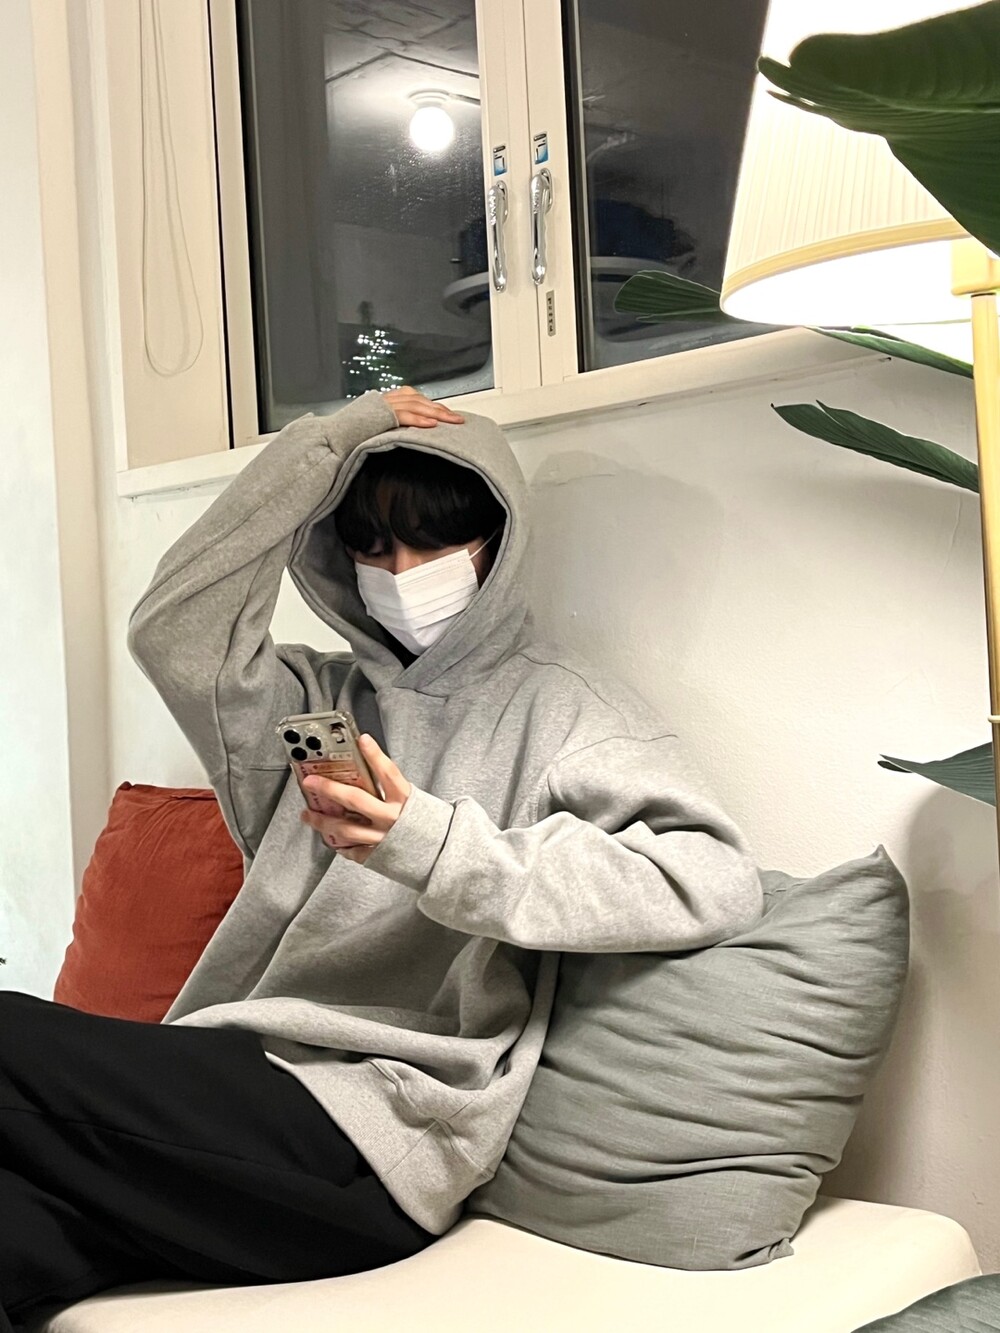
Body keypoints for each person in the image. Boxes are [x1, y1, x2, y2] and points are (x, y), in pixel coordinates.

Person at [0, 387, 762, 1331]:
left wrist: (430, 846)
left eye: (432, 543)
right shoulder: (308, 702)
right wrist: (326, 445)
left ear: (496, 541)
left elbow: (713, 881)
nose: (400, 572)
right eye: (371, 546)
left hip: (379, 1132)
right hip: (234, 1092)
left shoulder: (565, 710)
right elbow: (173, 627)